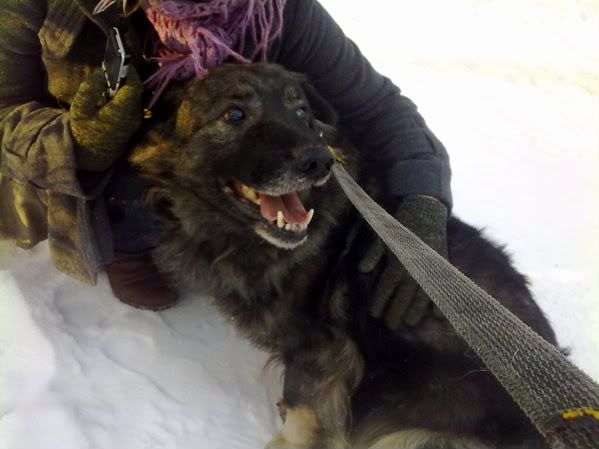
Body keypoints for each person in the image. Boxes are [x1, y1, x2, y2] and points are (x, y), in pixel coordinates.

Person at [0, 0, 451, 330]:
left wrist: (423, 201)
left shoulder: (280, 9)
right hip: (104, 178)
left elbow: (377, 108)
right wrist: (78, 142)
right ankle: (127, 242)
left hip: (227, 167)